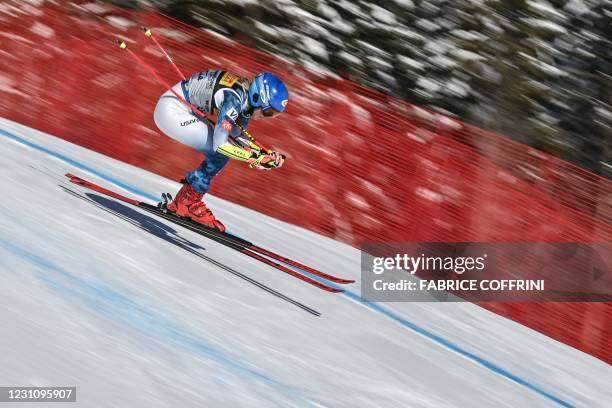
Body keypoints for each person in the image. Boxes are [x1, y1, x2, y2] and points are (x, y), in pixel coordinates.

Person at [153, 70, 288, 232]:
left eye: (274, 115)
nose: (267, 117)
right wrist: (252, 158)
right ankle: (187, 203)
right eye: (268, 112)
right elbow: (221, 145)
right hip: (172, 111)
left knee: (221, 153)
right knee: (219, 153)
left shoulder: (244, 100)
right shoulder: (235, 100)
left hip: (182, 109)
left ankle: (186, 200)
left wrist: (262, 154)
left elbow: (235, 135)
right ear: (257, 97)